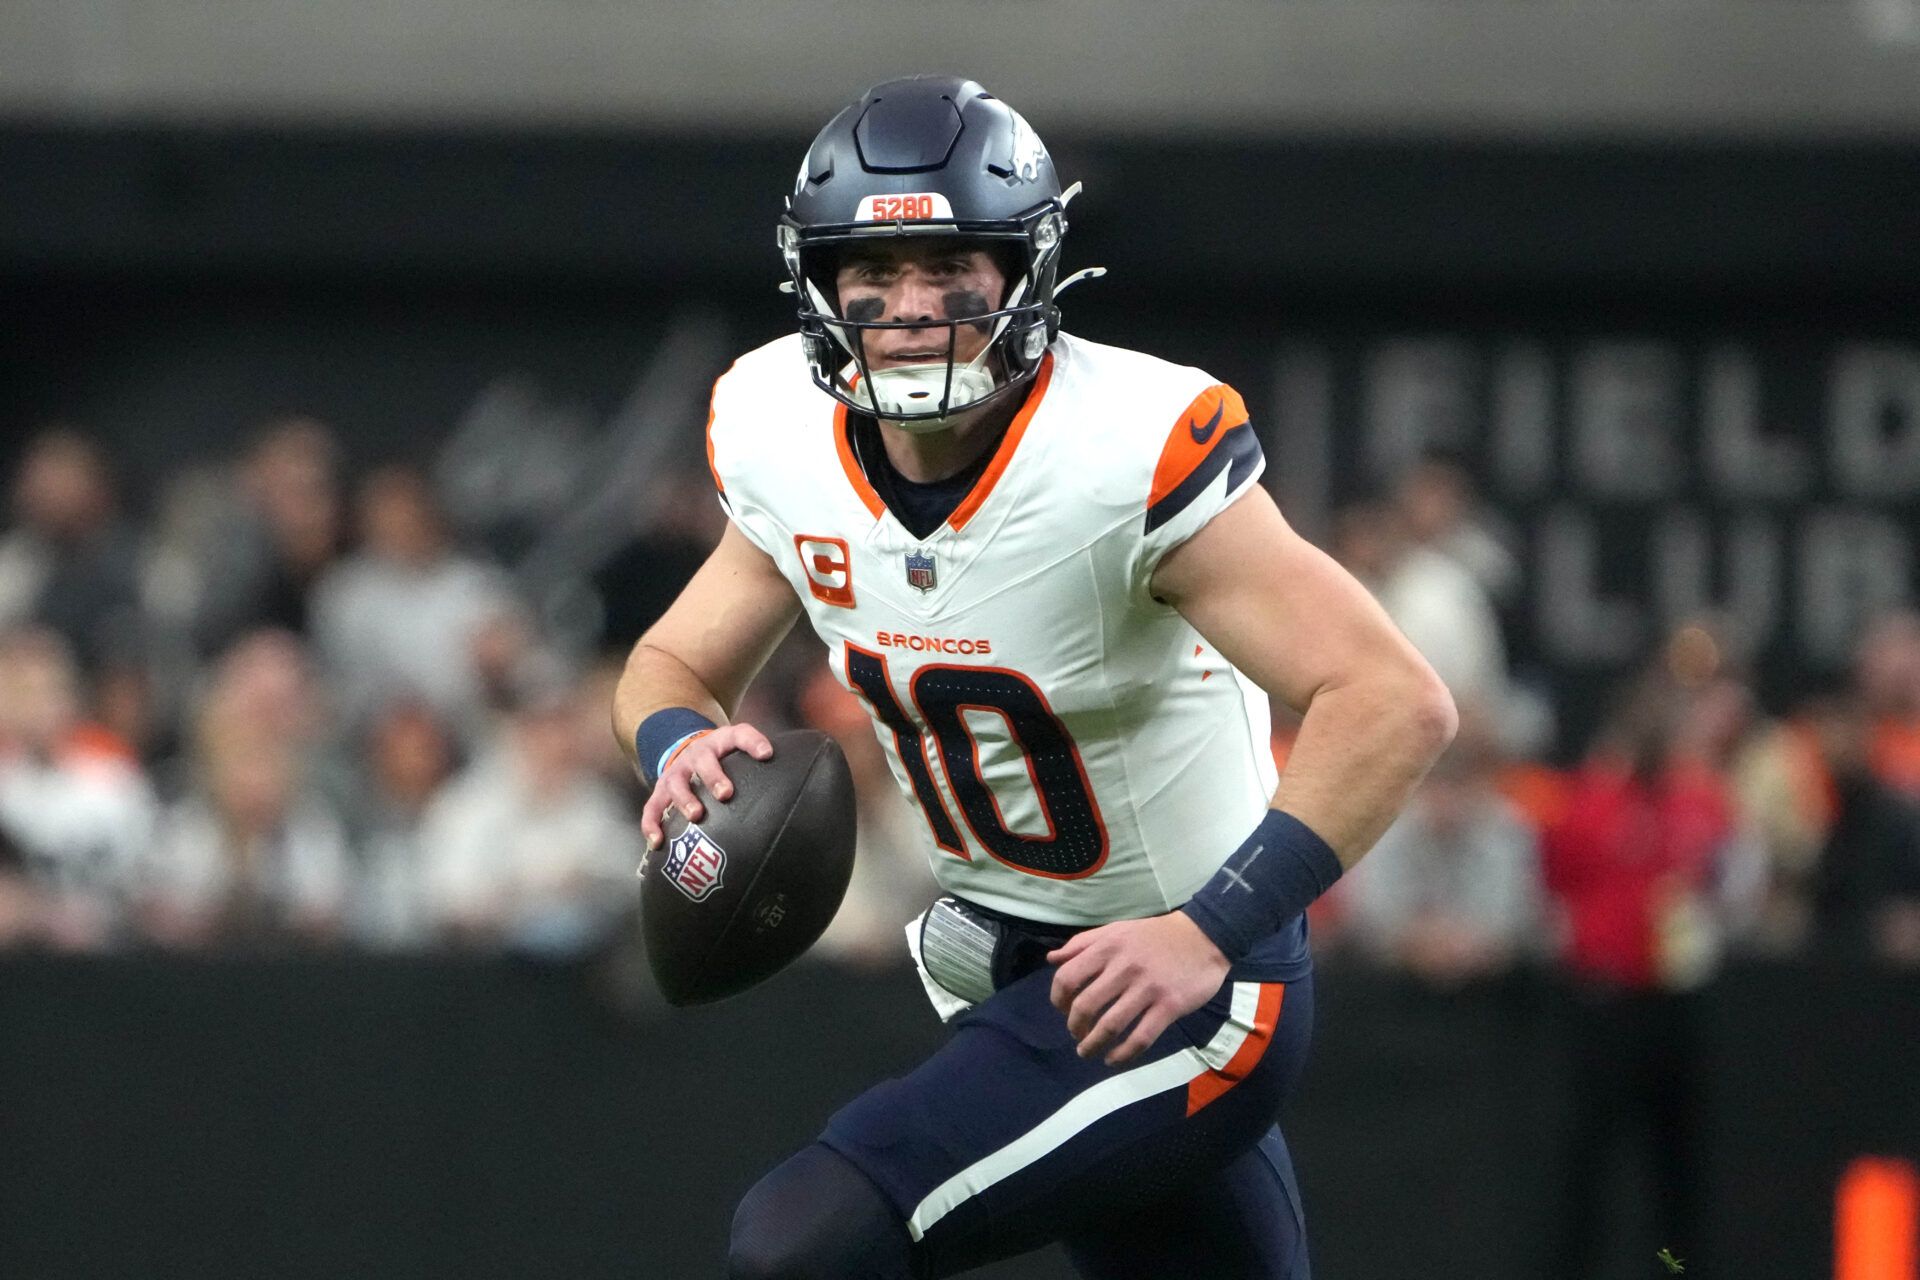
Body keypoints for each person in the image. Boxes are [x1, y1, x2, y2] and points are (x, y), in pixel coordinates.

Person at [612, 76, 1455, 1280]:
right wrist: (674, 741)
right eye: (875, 275)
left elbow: (1392, 698)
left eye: (952, 268)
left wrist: (1207, 928)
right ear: (821, 287)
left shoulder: (1122, 449)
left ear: (1025, 274)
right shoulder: (781, 432)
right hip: (1000, 955)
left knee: (803, 1238)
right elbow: (670, 661)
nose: (910, 309)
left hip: (1187, 982)